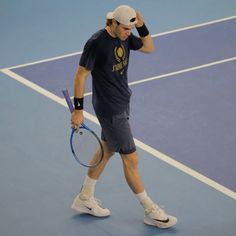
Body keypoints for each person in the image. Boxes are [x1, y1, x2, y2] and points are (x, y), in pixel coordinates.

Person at [70, 5, 177, 228]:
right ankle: (150, 209)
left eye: (131, 28)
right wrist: (78, 109)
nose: (130, 32)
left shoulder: (127, 36)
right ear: (114, 23)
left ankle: (84, 197)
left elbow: (149, 47)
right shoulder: (96, 43)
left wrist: (141, 24)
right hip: (110, 108)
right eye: (126, 28)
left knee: (107, 150)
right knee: (131, 158)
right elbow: (81, 75)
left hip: (122, 101)